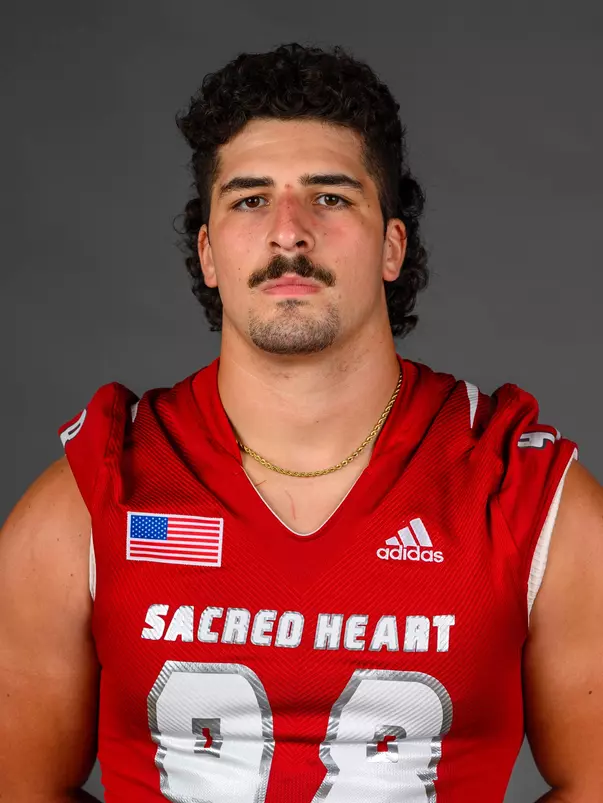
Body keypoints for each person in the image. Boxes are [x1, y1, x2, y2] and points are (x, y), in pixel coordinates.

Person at [1, 42, 601, 803]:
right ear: (209, 252)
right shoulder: (88, 501)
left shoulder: (527, 496)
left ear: (392, 245)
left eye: (330, 196)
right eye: (250, 199)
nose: (289, 232)